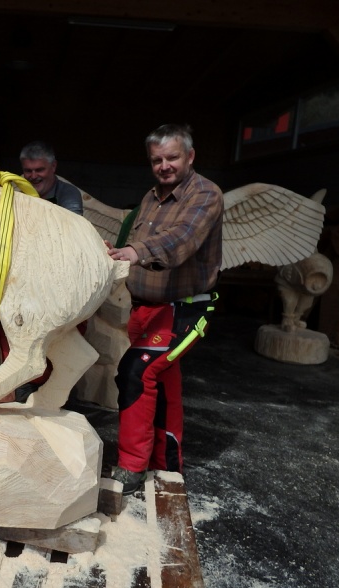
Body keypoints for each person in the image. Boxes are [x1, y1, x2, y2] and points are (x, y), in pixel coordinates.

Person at [106, 124, 223, 495]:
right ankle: (167, 463)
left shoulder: (205, 194)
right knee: (162, 382)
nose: (164, 166)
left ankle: (131, 466)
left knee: (135, 373)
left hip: (181, 310)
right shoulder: (150, 197)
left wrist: (136, 252)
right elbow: (133, 240)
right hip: (144, 309)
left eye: (172, 157)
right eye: (157, 160)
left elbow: (181, 239)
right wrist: (116, 250)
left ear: (190, 156)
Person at [19, 141, 83, 215]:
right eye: (28, 171)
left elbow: (72, 221)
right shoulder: (17, 194)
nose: (33, 176)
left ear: (53, 166)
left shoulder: (68, 193)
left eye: (39, 170)